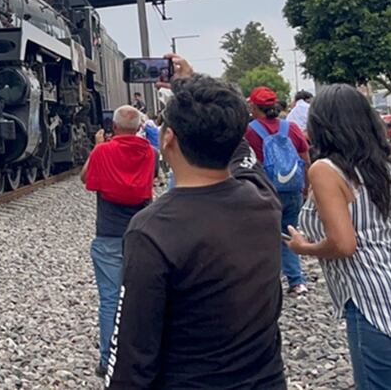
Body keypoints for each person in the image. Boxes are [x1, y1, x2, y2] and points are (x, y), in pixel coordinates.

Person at [106, 75, 286, 388]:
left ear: (168, 139)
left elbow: (134, 351)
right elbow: (241, 151)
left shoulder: (152, 230)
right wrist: (193, 83)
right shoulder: (263, 200)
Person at [287, 84, 391, 388]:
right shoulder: (383, 166)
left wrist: (304, 247)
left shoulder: (326, 170)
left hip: (367, 295)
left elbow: (344, 244)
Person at [80, 105, 154, 378]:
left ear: (114, 127)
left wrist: (98, 147)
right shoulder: (150, 152)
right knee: (142, 299)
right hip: (141, 236)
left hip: (109, 236)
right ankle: (143, 357)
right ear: (138, 128)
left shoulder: (103, 151)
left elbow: (86, 178)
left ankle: (108, 360)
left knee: (111, 300)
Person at [245, 86, 311, 295]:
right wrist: (305, 187)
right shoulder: (291, 127)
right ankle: (297, 281)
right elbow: (306, 159)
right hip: (292, 189)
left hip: (264, 190)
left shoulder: (249, 131)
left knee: (262, 236)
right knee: (290, 233)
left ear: (254, 107)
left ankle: (266, 283)